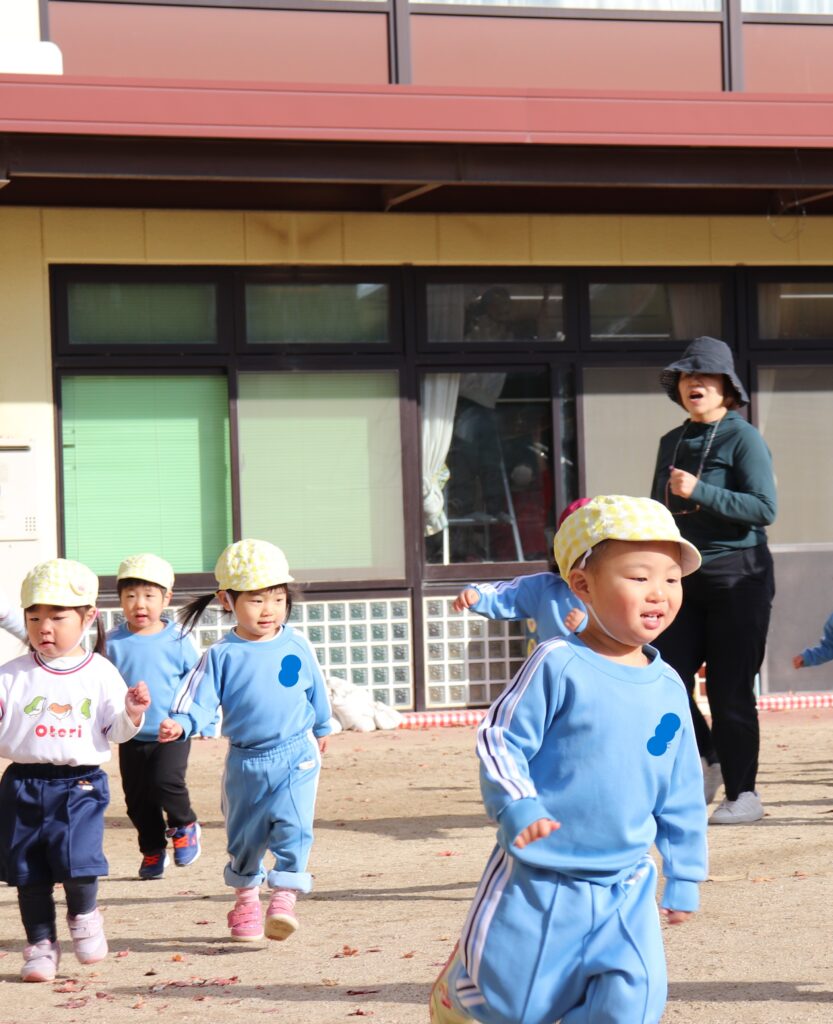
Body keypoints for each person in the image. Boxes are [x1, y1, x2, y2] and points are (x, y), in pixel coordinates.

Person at [430, 495, 707, 1024]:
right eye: (639, 577)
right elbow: (500, 739)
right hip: (543, 875)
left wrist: (686, 871)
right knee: (513, 1008)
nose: (659, 593)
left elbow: (681, 787)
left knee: (633, 1004)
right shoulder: (557, 663)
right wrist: (518, 804)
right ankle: (461, 993)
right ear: (582, 585)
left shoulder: (670, 685)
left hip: (628, 881)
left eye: (672, 579)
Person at [157, 539, 332, 943]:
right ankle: (247, 900)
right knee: (245, 837)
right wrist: (181, 723)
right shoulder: (221, 655)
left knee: (294, 825)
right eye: (256, 600)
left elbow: (316, 688)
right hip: (245, 762)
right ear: (227, 600)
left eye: (278, 598)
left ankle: (284, 896)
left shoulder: (297, 643)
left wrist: (323, 726)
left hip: (296, 753)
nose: (269, 609)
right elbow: (196, 698)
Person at [0, 558, 150, 983]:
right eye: (34, 618)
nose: (44, 628)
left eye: (57, 617)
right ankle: (41, 946)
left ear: (87, 618)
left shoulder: (100, 672)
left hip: (80, 783)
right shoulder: (11, 675)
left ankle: (84, 916)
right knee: (28, 873)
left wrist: (132, 712)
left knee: (78, 862)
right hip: (22, 784)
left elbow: (116, 731)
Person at [651, 336, 777, 825]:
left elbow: (764, 509)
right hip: (683, 576)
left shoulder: (743, 437)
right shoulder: (671, 441)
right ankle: (710, 757)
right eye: (687, 375)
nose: (694, 383)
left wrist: (700, 491)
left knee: (729, 690)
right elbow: (660, 512)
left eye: (704, 375)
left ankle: (744, 794)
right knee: (665, 676)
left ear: (726, 387)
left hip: (739, 575)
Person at [106, 553, 201, 880]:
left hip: (171, 730)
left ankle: (184, 825)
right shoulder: (112, 642)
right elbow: (102, 684)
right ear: (120, 600)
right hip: (131, 734)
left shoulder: (179, 638)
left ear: (166, 598)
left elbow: (197, 682)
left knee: (166, 782)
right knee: (137, 800)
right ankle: (152, 849)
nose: (139, 604)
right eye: (130, 596)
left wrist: (193, 721)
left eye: (149, 595)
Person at [452, 499, 590, 644]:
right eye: (577, 549)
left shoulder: (606, 590)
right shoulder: (546, 587)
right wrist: (478, 595)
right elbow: (507, 595)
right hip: (551, 659)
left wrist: (587, 628)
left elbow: (609, 634)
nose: (585, 559)